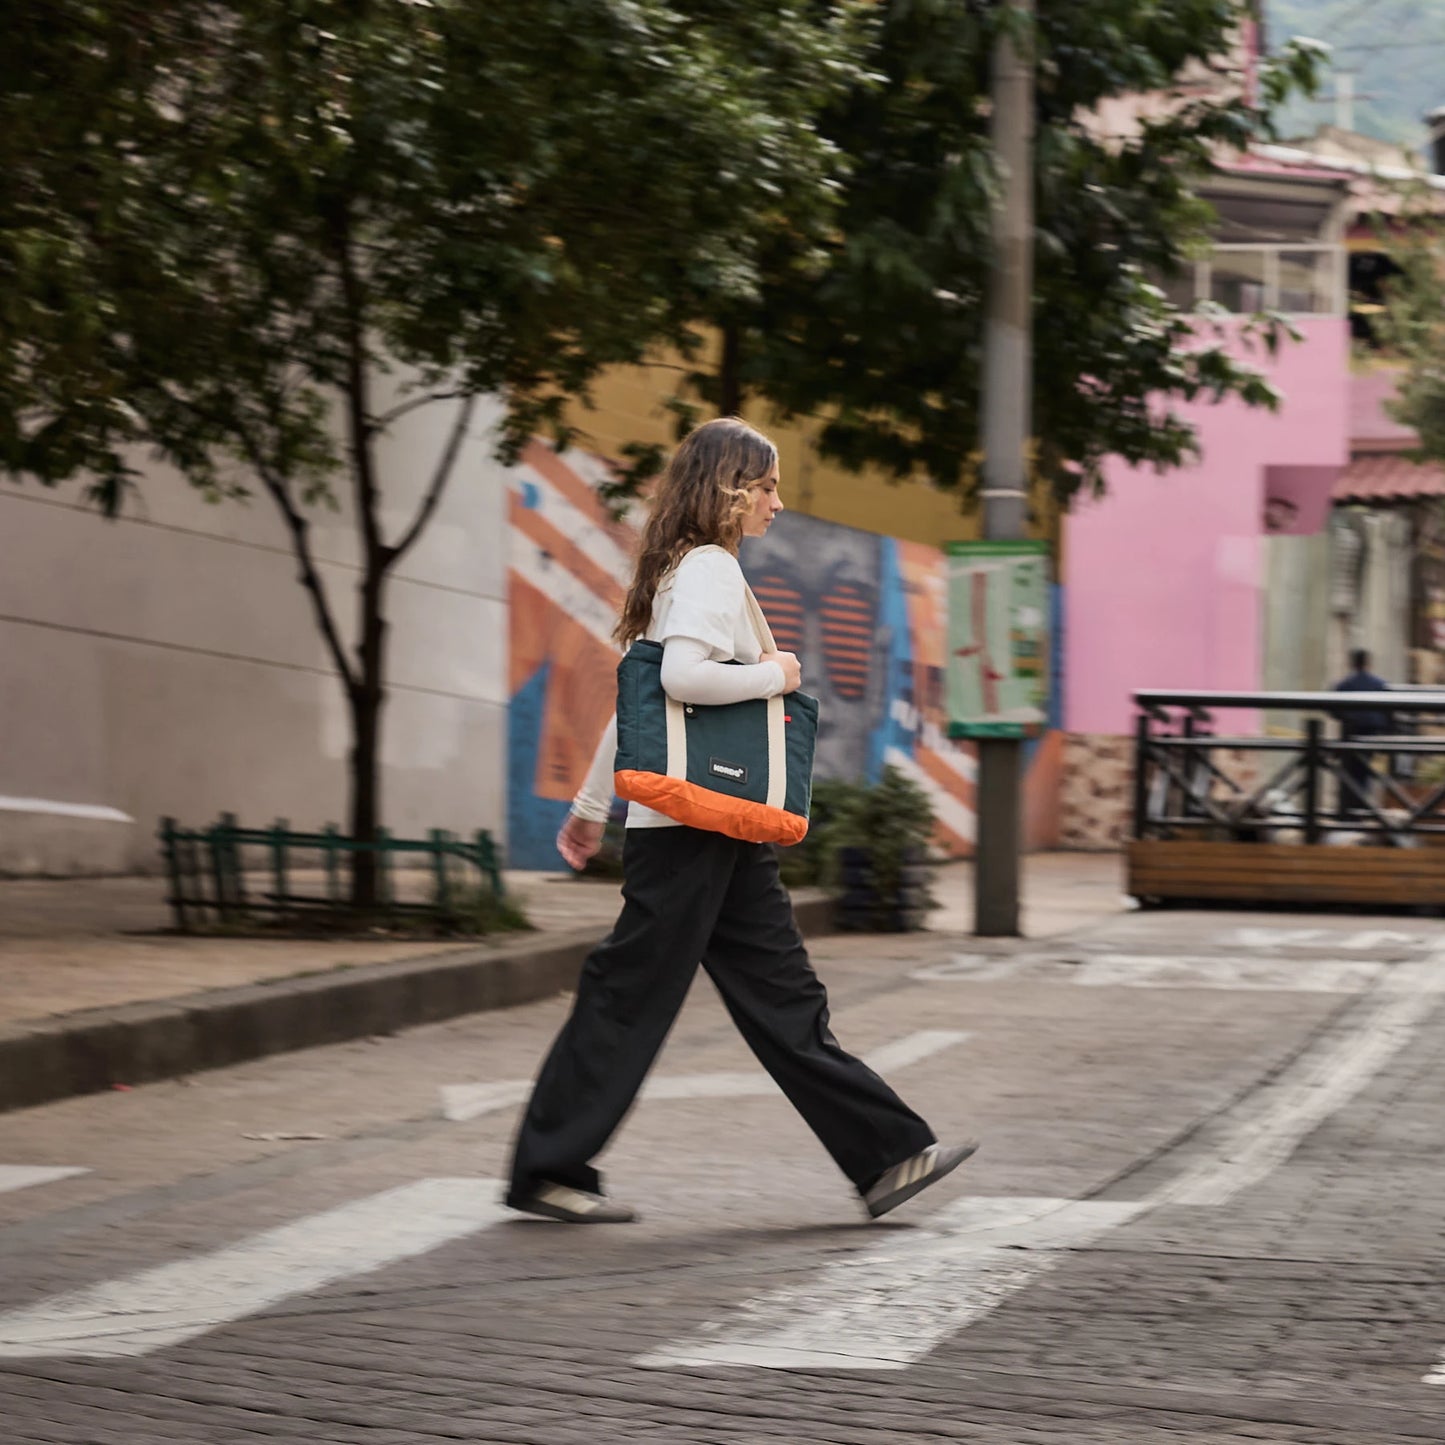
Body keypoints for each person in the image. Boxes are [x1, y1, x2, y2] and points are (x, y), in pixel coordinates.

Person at [505, 417, 976, 1224]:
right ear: (727, 488)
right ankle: (545, 1167)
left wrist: (590, 808)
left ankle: (888, 1155)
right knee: (633, 995)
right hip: (693, 829)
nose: (777, 503)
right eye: (764, 486)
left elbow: (638, 703)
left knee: (779, 995)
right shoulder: (710, 570)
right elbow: (682, 681)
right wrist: (775, 673)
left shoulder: (682, 570)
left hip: (710, 825)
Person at [1331, 648, 1391, 819]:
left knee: (1348, 773)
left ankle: (1346, 813)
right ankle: (1361, 811)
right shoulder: (1378, 684)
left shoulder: (1344, 684)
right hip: (1370, 735)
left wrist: (1347, 718)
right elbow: (1388, 711)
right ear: (1368, 663)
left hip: (1349, 734)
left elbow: (1333, 709)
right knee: (1364, 772)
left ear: (1352, 663)